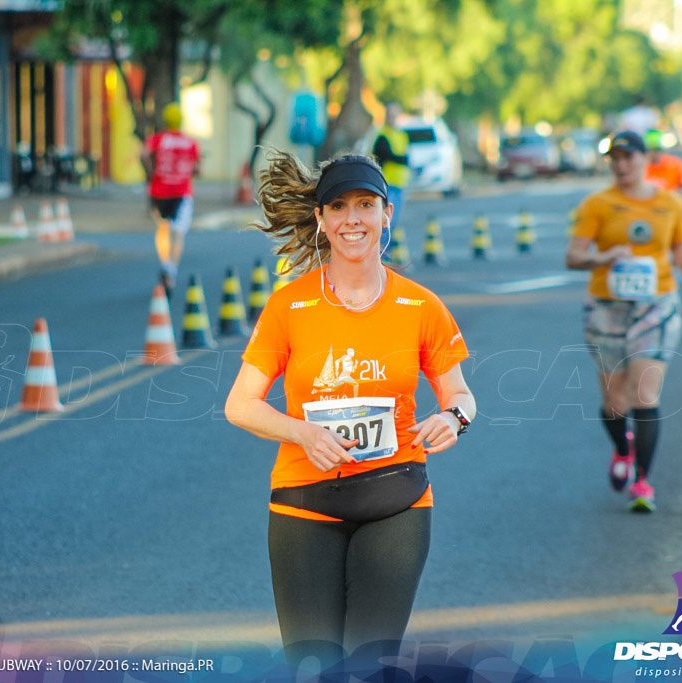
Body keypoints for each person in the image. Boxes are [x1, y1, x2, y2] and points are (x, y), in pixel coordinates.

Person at [224, 151, 476, 676]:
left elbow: (460, 394)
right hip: (304, 503)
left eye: (365, 205)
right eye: (338, 206)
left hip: (397, 500)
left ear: (387, 213)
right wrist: (303, 433)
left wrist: (453, 419)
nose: (352, 219)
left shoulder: (420, 306)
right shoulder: (289, 307)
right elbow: (239, 405)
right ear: (321, 219)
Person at [565, 131, 682, 513]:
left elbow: (681, 246)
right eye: (614, 158)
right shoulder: (598, 204)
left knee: (645, 394)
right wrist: (605, 256)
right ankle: (622, 449)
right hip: (607, 305)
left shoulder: (670, 203)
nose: (620, 164)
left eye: (627, 156)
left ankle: (642, 482)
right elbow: (574, 257)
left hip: (655, 304)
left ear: (645, 159)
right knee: (614, 400)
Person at [141, 102, 200, 297]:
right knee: (178, 234)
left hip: (159, 190)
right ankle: (172, 271)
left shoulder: (157, 139)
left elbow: (144, 154)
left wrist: (150, 172)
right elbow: (197, 168)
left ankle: (165, 263)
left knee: (162, 228)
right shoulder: (190, 143)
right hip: (181, 192)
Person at [371, 102, 410, 261]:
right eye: (390, 114)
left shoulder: (402, 136)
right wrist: (400, 159)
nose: (392, 117)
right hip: (387, 184)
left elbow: (405, 157)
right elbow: (383, 156)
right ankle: (380, 254)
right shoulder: (383, 135)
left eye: (395, 114)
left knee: (394, 221)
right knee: (385, 221)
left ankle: (386, 252)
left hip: (401, 183)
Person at [643, 129, 682, 197]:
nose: (654, 154)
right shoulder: (639, 168)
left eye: (657, 150)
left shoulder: (674, 164)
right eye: (651, 150)